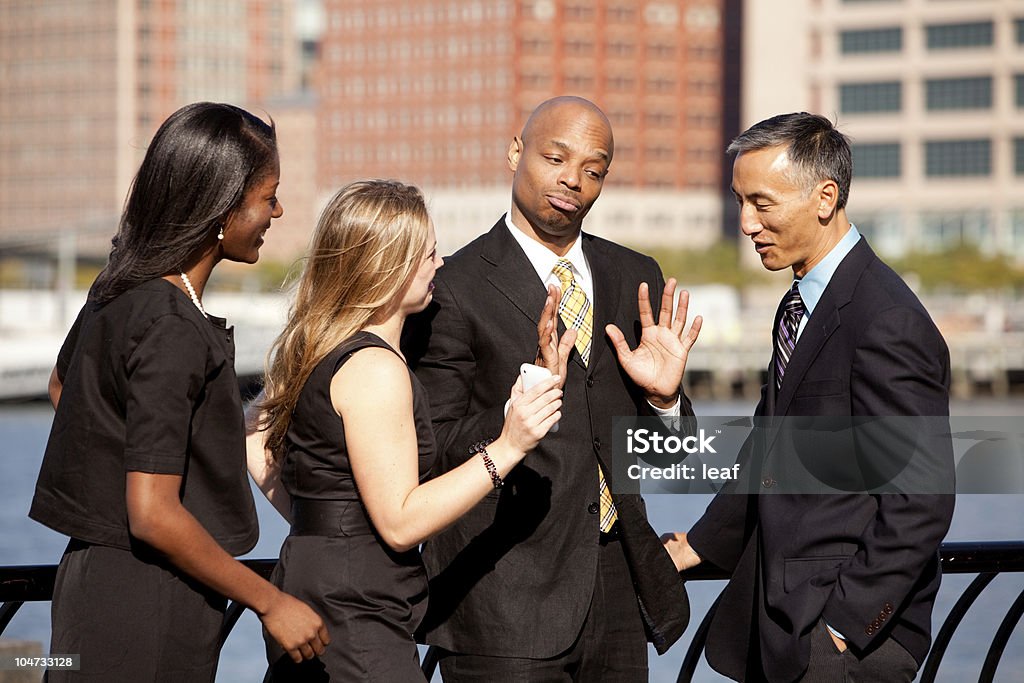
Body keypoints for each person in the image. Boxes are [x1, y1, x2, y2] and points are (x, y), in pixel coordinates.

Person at [402, 96, 700, 681]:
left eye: (594, 170)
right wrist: (521, 409)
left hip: (616, 586)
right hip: (500, 594)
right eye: (555, 158)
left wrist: (666, 401)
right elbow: (428, 449)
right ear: (516, 151)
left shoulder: (635, 276)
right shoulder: (453, 287)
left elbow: (676, 457)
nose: (572, 181)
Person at [29, 102, 328, 681]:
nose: (278, 211)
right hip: (148, 605)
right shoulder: (172, 325)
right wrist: (273, 603)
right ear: (223, 205)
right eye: (269, 196)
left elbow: (64, 386)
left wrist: (141, 456)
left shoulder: (120, 284)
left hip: (89, 584)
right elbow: (151, 514)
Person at [663, 113, 955, 682]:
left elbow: (921, 499)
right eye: (739, 201)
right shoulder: (801, 303)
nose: (746, 222)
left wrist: (845, 626)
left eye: (762, 203)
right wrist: (700, 543)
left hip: (842, 642)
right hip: (785, 624)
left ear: (825, 198)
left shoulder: (886, 319)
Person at [250, 179, 563, 681]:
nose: (439, 265)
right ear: (388, 267)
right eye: (429, 254)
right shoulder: (377, 368)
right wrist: (509, 447)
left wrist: (321, 523)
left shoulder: (319, 348)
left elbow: (255, 437)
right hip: (356, 608)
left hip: (310, 584)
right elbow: (399, 523)